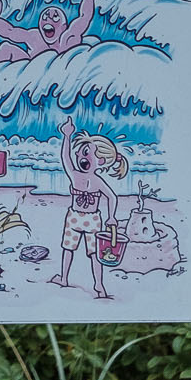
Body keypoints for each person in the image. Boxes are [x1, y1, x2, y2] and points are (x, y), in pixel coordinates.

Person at [46, 112, 129, 299]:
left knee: (78, 250)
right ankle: (92, 284)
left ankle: (71, 279)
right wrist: (111, 216)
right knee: (90, 253)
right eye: (80, 152)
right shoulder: (92, 179)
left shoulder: (78, 176)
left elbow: (65, 158)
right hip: (90, 219)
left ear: (100, 161)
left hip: (79, 217)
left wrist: (67, 137)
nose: (78, 155)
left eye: (85, 152)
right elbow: (112, 198)